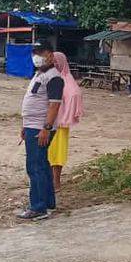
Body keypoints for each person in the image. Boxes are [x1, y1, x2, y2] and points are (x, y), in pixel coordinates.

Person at [18, 40, 64, 220]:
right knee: (42, 166)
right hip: (32, 126)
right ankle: (47, 203)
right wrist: (25, 125)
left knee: (34, 167)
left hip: (40, 128)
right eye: (35, 53)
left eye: (41, 53)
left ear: (50, 55)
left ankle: (38, 207)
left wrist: (46, 128)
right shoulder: (39, 74)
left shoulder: (54, 77)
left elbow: (54, 106)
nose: (36, 57)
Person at [47, 51, 84, 191]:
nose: (53, 64)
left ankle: (56, 181)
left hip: (60, 124)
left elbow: (75, 95)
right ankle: (49, 179)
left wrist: (66, 115)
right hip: (48, 122)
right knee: (48, 151)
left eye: (55, 62)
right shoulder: (51, 77)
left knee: (58, 153)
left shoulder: (66, 80)